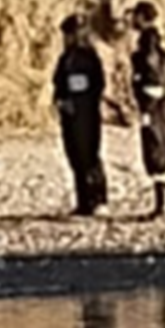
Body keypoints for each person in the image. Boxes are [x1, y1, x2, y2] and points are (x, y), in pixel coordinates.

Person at [128, 1, 165, 220]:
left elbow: (152, 74)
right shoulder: (161, 42)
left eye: (136, 16)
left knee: (155, 153)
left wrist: (146, 105)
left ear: (142, 17)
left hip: (156, 106)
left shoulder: (148, 43)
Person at [53, 13, 108, 217]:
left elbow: (98, 85)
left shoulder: (90, 57)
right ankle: (83, 201)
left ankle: (98, 199)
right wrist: (61, 101)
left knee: (90, 155)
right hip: (71, 115)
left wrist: (82, 101)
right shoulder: (65, 58)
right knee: (75, 156)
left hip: (87, 113)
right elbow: (58, 84)